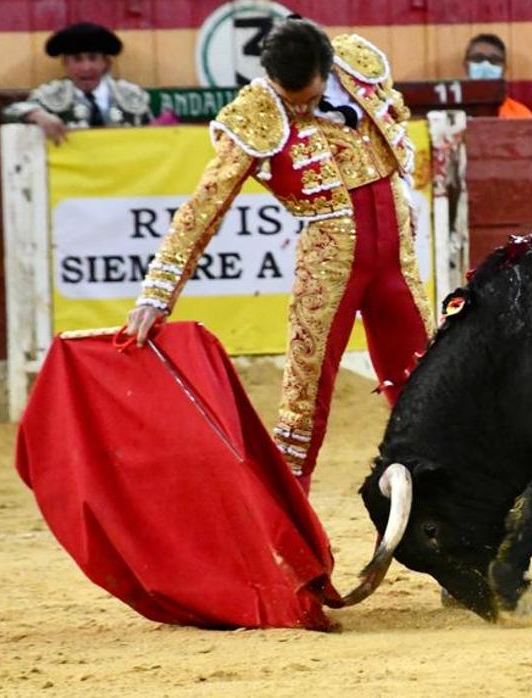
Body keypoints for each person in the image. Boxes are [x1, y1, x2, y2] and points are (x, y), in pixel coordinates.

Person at [123, 18, 433, 492]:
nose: (303, 108)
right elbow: (204, 206)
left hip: (398, 262)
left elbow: (397, 141)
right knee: (303, 407)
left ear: (329, 67)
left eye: (309, 96)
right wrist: (157, 294)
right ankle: (290, 535)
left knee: (427, 389)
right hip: (330, 269)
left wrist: (407, 195)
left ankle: (447, 516)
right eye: (293, 101)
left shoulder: (358, 64)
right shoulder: (256, 112)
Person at [1, 22, 151, 144]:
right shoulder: (50, 95)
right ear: (65, 63)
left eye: (93, 58)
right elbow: (9, 113)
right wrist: (35, 114)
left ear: (106, 62)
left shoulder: (131, 95)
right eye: (77, 59)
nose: (86, 67)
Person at [463, 33, 532, 118]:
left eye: (494, 60)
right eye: (478, 58)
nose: (485, 65)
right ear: (466, 65)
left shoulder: (521, 114)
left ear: (504, 68)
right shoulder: (450, 114)